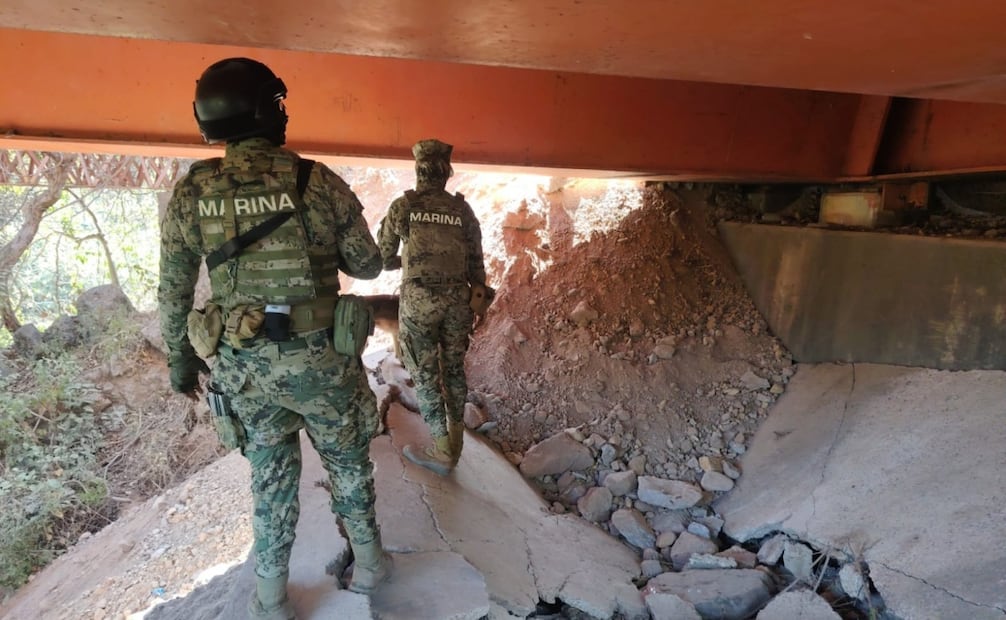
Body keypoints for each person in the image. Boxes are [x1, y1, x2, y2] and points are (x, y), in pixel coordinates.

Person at [157, 57, 390, 620]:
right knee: (348, 462)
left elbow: (173, 292)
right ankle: (373, 567)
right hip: (321, 361)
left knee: (270, 478)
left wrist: (181, 364)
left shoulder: (191, 194)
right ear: (268, 110)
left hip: (245, 366)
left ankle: (271, 598)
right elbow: (367, 266)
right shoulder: (316, 180)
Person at [376, 138, 491, 476]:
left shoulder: (403, 207)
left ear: (418, 170)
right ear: (446, 172)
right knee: (454, 369)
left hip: (419, 303)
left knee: (425, 376)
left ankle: (441, 449)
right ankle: (455, 442)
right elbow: (477, 265)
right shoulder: (462, 210)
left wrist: (411, 260)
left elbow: (383, 259)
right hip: (458, 301)